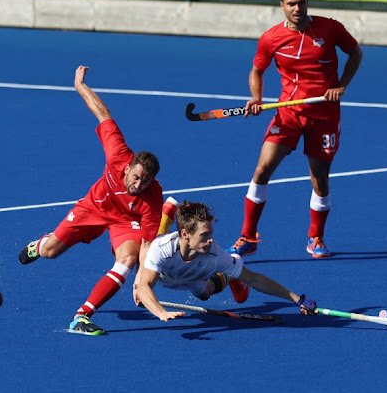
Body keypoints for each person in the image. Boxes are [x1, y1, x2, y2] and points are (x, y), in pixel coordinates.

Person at [18, 65, 164, 336]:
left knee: (127, 260)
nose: (138, 184)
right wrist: (80, 86)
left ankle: (81, 317)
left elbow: (146, 242)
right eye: (136, 177)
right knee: (51, 252)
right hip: (94, 207)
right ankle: (40, 244)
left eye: (145, 181)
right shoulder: (118, 153)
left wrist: (142, 283)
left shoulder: (153, 197)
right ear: (129, 167)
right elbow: (102, 113)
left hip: (126, 221)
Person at [229, 0, 363, 259]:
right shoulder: (271, 38)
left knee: (319, 180)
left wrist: (341, 85)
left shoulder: (329, 28)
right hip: (288, 113)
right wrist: (256, 98)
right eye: (291, 3)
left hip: (324, 116)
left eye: (301, 2)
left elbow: (355, 53)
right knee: (262, 171)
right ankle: (248, 237)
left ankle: (316, 238)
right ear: (282, 6)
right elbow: (257, 70)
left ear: (307, 2)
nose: (297, 8)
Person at [134, 200, 317, 322]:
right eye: (204, 235)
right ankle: (165, 219)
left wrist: (296, 299)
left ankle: (233, 272)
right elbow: (143, 286)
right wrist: (158, 310)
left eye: (211, 233)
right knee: (149, 245)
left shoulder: (213, 253)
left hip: (189, 275)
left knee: (205, 294)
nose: (211, 239)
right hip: (166, 271)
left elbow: (253, 279)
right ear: (185, 234)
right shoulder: (162, 249)